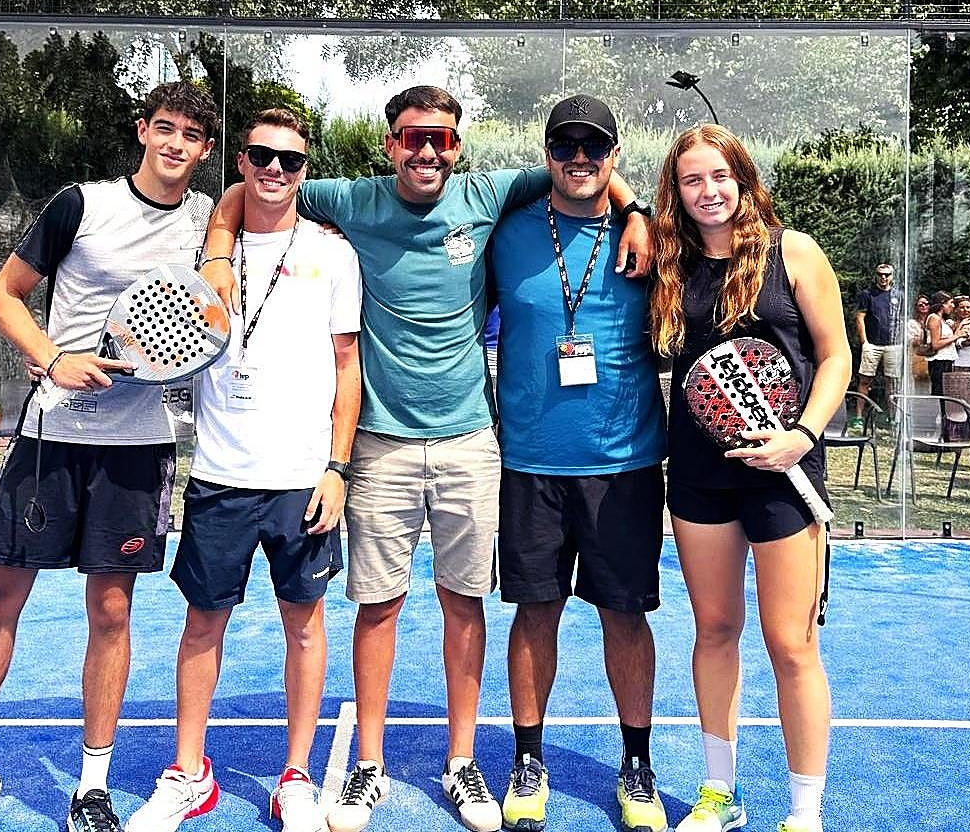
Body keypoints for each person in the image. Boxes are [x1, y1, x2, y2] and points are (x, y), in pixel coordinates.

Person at [201, 85, 652, 832]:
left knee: (462, 603)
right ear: (391, 144)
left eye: (440, 138)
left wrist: (636, 211)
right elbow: (251, 186)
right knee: (378, 605)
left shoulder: (490, 192)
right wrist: (219, 248)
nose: (426, 151)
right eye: (412, 137)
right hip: (379, 444)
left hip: (472, 441)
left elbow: (587, 170)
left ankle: (463, 761)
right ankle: (368, 765)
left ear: (457, 145)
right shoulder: (351, 198)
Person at [0, 81, 220, 832]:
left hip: (137, 449)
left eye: (190, 136)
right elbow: (2, 295)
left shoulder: (209, 219)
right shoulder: (81, 204)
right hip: (51, 438)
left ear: (205, 150)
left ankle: (92, 788)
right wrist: (53, 357)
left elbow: (238, 254)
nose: (175, 144)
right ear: (143, 131)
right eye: (165, 128)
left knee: (110, 610)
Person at [124, 108, 362, 832]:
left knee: (305, 627)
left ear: (305, 170)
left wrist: (337, 468)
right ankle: (188, 773)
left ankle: (296, 776)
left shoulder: (332, 253)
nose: (275, 169)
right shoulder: (204, 241)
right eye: (261, 155)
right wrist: (217, 253)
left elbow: (347, 368)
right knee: (202, 624)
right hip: (220, 474)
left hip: (302, 480)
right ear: (241, 161)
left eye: (290, 160)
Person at [650, 124, 849, 832]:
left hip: (784, 476)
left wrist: (802, 437)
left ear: (742, 178)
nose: (708, 191)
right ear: (675, 192)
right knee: (714, 629)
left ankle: (805, 813)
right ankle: (719, 794)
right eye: (691, 180)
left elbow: (836, 357)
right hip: (699, 478)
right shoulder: (668, 264)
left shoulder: (794, 251)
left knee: (791, 644)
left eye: (719, 176)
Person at [488, 95, 668, 832]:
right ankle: (528, 760)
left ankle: (636, 765)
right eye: (565, 145)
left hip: (624, 465)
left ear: (615, 156)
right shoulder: (506, 230)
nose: (580, 158)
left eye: (594, 146)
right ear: (547, 154)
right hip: (530, 462)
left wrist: (641, 212)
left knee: (625, 614)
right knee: (536, 611)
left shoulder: (651, 239)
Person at [852, 262, 902, 425]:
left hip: (893, 345)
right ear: (876, 275)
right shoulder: (868, 294)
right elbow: (860, 317)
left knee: (891, 382)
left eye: (887, 274)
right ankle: (859, 418)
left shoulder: (899, 295)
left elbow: (903, 319)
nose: (883, 277)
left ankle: (892, 417)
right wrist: (864, 342)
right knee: (865, 380)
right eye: (880, 274)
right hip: (872, 345)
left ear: (892, 276)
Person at [923, 290, 964, 396]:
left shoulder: (942, 319)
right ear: (942, 304)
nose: (953, 306)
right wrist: (955, 337)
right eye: (951, 303)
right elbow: (935, 344)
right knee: (940, 391)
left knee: (946, 392)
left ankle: (944, 407)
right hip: (939, 361)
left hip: (946, 360)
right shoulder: (934, 318)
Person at [905, 293, 931, 391]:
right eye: (920, 304)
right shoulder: (912, 323)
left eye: (926, 304)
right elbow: (911, 341)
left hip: (933, 357)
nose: (924, 306)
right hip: (917, 357)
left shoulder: (936, 320)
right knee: (919, 383)